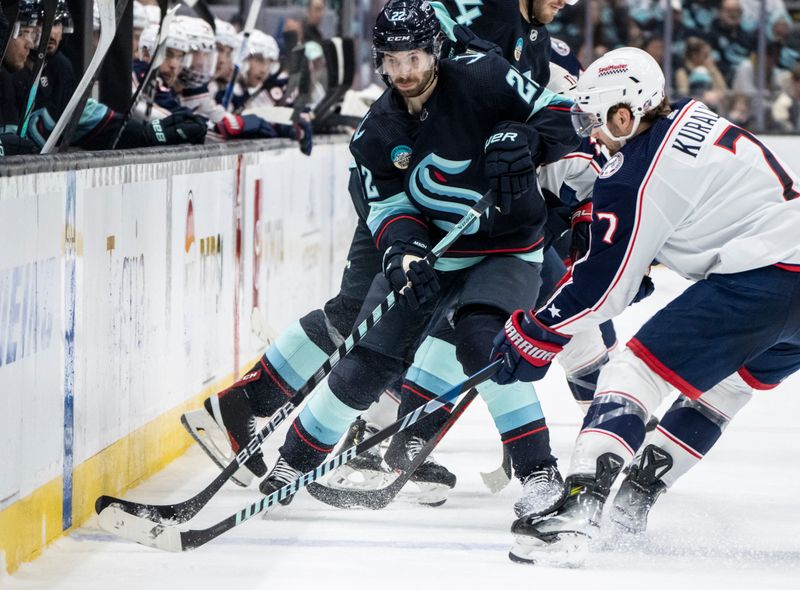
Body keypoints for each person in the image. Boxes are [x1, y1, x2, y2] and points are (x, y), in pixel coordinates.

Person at [249, 0, 578, 516]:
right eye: (391, 60)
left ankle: (540, 472)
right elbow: (387, 209)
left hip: (506, 247)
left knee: (482, 346)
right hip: (432, 256)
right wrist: (403, 252)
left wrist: (528, 138)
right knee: (365, 364)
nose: (403, 72)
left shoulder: (484, 77)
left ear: (436, 50)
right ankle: (294, 461)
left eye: (414, 58)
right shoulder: (376, 132)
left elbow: (565, 116)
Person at [490, 46, 800, 565]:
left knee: (633, 371)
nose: (590, 132)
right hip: (788, 273)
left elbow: (600, 290)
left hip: (763, 280)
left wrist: (537, 330)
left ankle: (579, 507)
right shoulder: (688, 118)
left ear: (624, 111)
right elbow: (702, 210)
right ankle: (633, 501)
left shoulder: (634, 174)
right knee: (720, 389)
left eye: (595, 117)